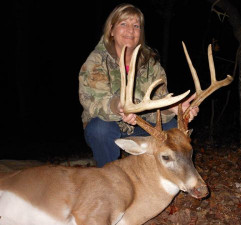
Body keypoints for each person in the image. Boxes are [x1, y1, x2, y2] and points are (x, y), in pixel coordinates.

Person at [79, 3, 199, 167]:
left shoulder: (150, 63)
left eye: (136, 26)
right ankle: (109, 177)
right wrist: (118, 106)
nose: (130, 30)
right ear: (111, 30)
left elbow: (160, 97)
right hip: (110, 125)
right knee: (100, 130)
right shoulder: (97, 60)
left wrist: (175, 107)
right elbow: (92, 101)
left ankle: (165, 177)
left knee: (173, 129)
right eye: (124, 24)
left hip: (143, 125)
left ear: (140, 33)